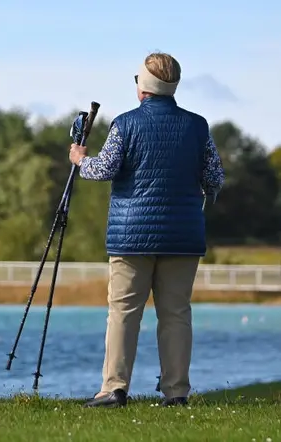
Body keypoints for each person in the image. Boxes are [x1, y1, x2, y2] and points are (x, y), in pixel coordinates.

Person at [68, 52, 225, 408]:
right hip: (183, 237)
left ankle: (114, 389)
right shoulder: (198, 126)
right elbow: (215, 178)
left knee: (124, 312)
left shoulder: (125, 124)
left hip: (131, 235)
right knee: (176, 314)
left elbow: (103, 169)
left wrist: (79, 160)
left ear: (143, 87)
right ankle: (176, 392)